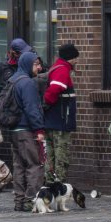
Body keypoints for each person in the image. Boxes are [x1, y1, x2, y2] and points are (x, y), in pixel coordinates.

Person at [8, 50, 46, 212]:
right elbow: (32, 108)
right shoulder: (28, 83)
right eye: (36, 64)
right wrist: (39, 129)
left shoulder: (13, 80)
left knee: (19, 166)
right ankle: (31, 200)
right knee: (34, 165)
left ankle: (19, 201)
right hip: (26, 129)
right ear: (27, 64)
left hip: (14, 130)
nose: (39, 67)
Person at [42, 44, 79, 185]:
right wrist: (48, 102)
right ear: (70, 58)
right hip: (60, 120)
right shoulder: (63, 70)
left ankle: (50, 184)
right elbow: (54, 89)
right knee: (60, 154)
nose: (76, 61)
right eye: (75, 58)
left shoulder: (57, 67)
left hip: (52, 119)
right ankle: (59, 186)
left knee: (50, 154)